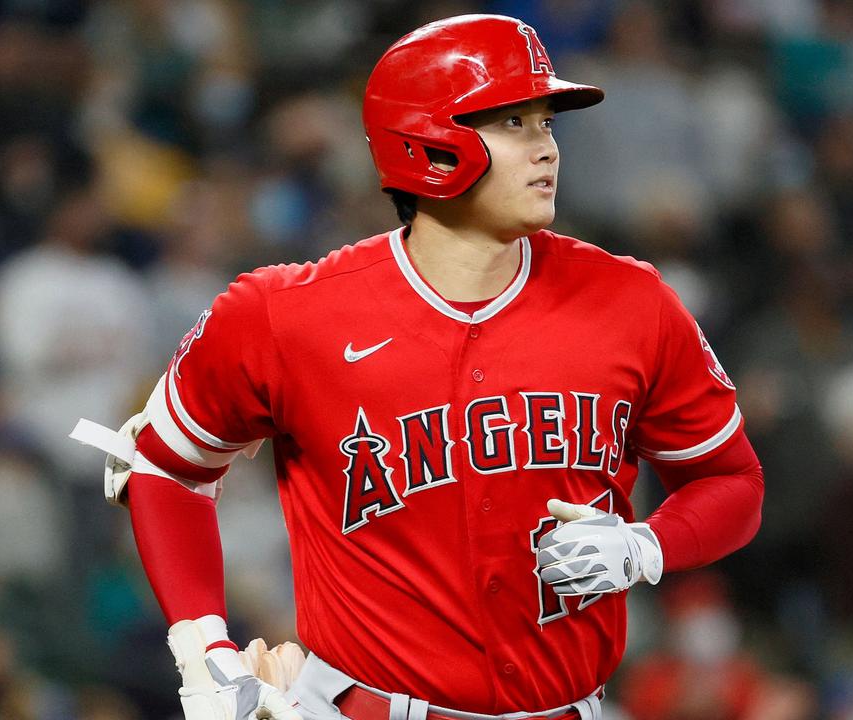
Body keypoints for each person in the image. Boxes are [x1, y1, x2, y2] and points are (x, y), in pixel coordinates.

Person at [72, 14, 764, 720]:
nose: (547, 149)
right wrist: (205, 652)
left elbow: (731, 479)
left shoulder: (631, 301)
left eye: (545, 123)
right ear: (426, 144)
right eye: (512, 124)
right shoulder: (286, 313)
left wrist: (645, 545)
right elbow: (161, 465)